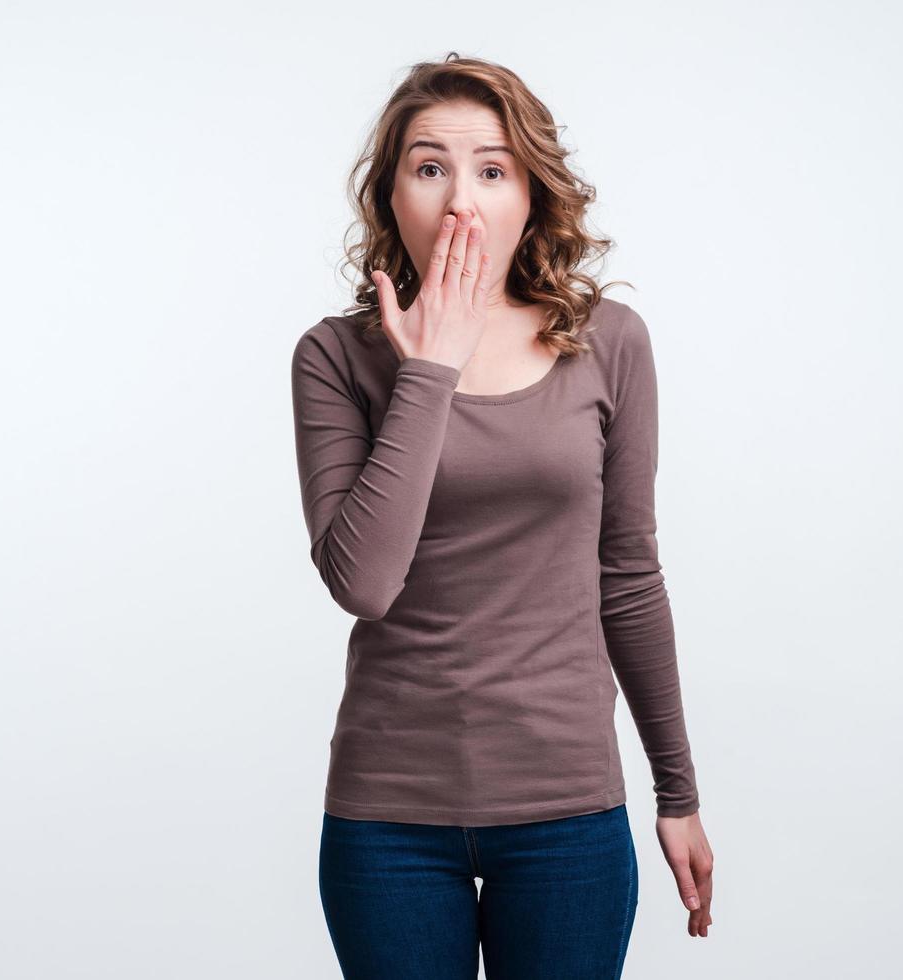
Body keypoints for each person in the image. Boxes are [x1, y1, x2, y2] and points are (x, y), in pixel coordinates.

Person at [290, 53, 714, 979]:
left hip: (567, 814)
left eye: (491, 169)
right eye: (429, 165)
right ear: (390, 193)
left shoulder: (608, 343)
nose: (460, 200)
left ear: (532, 192)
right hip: (386, 820)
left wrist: (675, 793)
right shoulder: (333, 358)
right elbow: (362, 582)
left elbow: (629, 576)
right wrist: (429, 368)